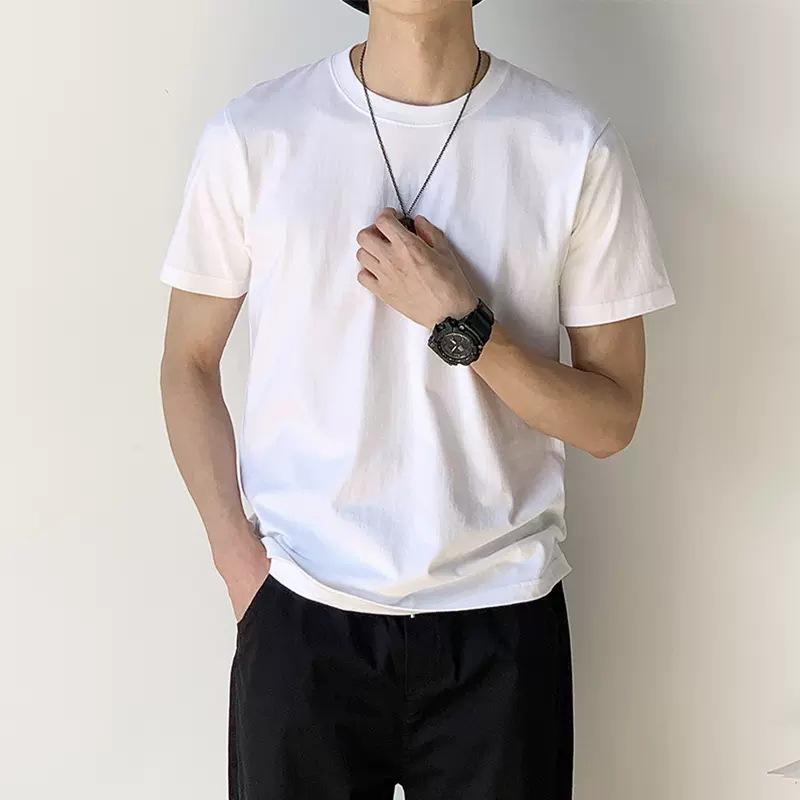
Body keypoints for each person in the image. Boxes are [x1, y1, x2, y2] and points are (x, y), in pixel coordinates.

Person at [158, 1, 676, 797]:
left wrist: (463, 323)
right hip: (300, 610)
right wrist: (240, 566)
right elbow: (188, 363)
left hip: (503, 619)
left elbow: (611, 420)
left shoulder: (571, 146)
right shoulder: (256, 136)